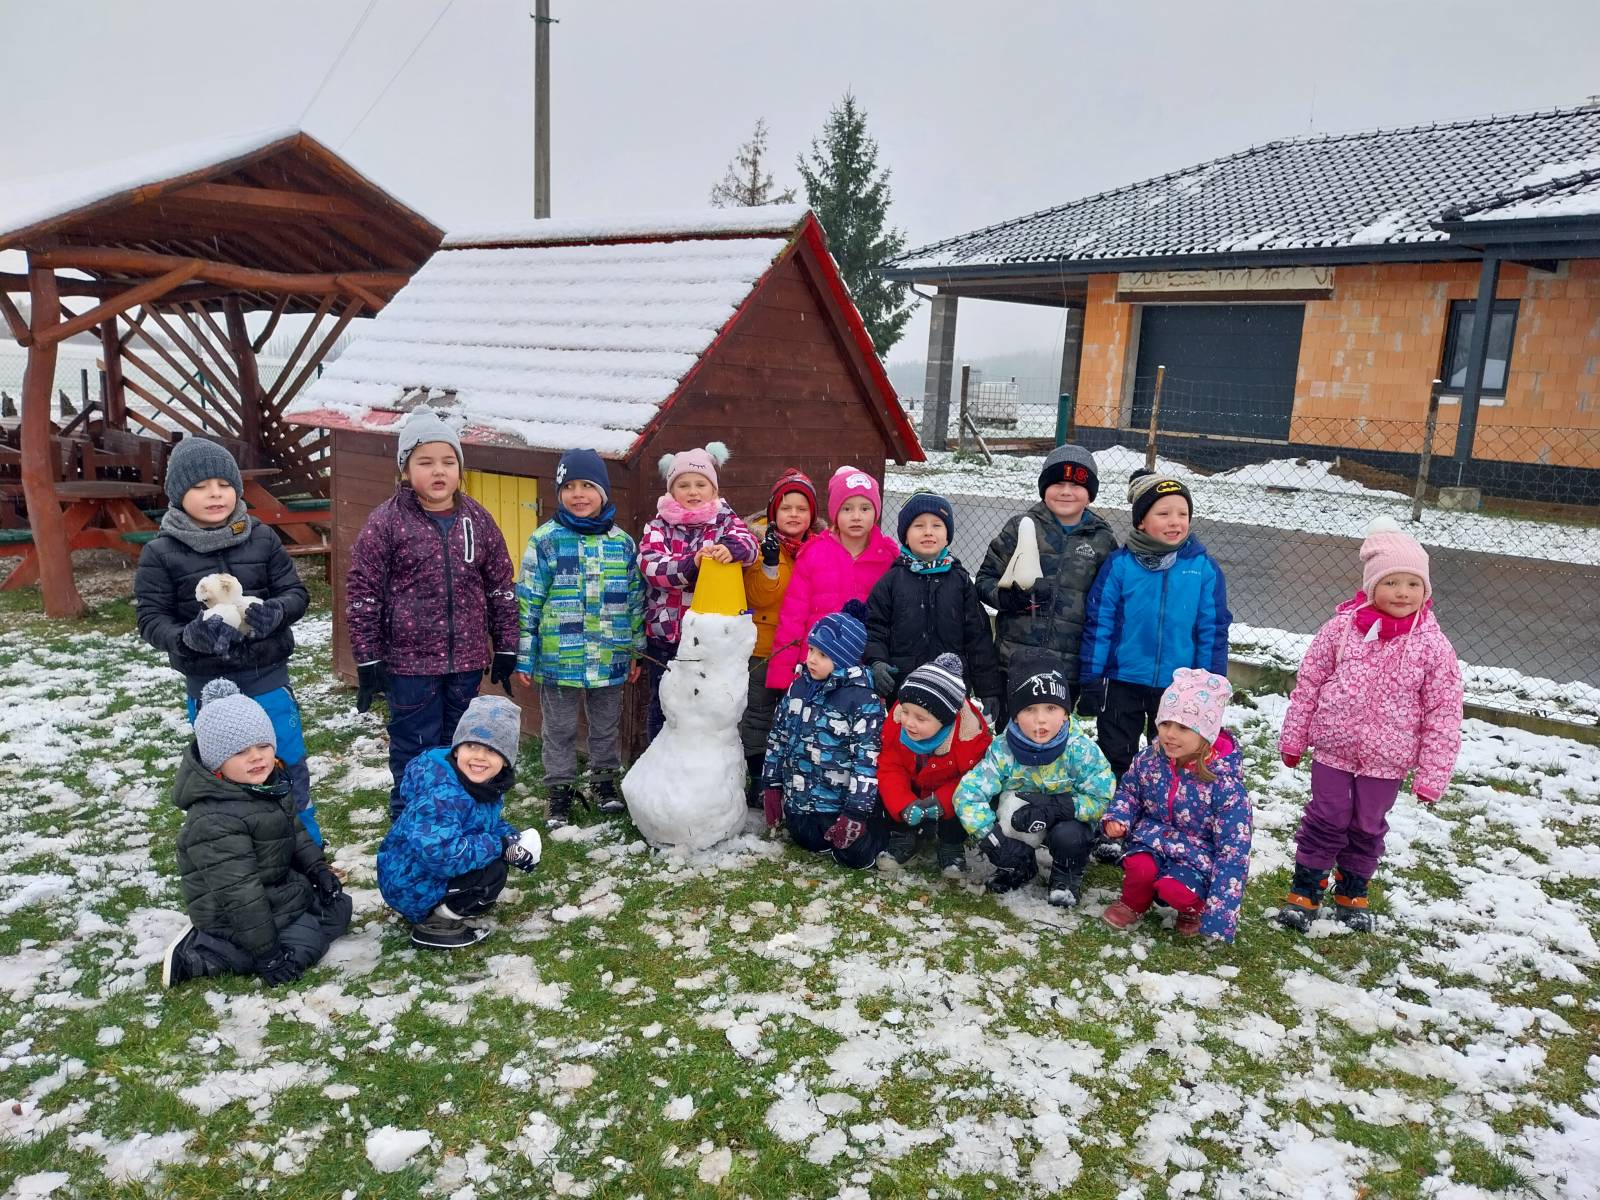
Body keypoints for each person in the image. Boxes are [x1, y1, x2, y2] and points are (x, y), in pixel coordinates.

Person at [1276, 517, 1463, 933]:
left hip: (1387, 759)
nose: (1402, 592)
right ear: (1371, 585)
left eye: (1413, 584)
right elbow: (1310, 683)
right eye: (1391, 582)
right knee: (1326, 816)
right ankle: (1305, 888)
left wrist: (1432, 773)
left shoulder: (1433, 646)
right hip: (1333, 748)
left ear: (1426, 591)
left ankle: (1352, 890)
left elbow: (1444, 712)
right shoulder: (1340, 630)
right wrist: (1295, 736)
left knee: (1367, 824)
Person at [133, 436, 318, 841]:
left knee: (286, 764)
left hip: (268, 679)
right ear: (178, 495)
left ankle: (306, 850)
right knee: (229, 773)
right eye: (200, 487)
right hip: (209, 687)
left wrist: (277, 611)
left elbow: (295, 593)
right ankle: (240, 850)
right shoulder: (161, 553)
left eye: (224, 484)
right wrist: (188, 637)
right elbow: (150, 619)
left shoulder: (262, 537)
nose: (215, 494)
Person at [345, 410, 519, 820]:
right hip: (410, 665)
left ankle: (460, 815)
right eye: (425, 462)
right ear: (405, 470)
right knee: (416, 746)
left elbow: (500, 584)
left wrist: (507, 644)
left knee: (465, 745)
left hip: (467, 660)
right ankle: (412, 818)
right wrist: (368, 657)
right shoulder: (386, 522)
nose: (438, 471)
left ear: (460, 468)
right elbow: (363, 593)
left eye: (448, 461)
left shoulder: (478, 519)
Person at [161, 680, 351, 989]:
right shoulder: (213, 821)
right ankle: (205, 953)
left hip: (274, 891)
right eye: (240, 752)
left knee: (339, 909)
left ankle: (276, 934)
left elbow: (294, 832)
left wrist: (318, 869)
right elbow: (240, 893)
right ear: (216, 762)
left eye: (263, 746)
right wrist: (268, 954)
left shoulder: (268, 785)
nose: (256, 757)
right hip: (229, 912)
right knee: (304, 945)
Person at [513, 449, 644, 828]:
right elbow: (529, 600)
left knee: (605, 725)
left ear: (602, 491)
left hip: (610, 655)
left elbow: (635, 600)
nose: (578, 494)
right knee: (559, 728)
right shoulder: (546, 540)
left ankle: (604, 782)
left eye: (587, 485)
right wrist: (526, 654)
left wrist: (636, 650)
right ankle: (559, 790)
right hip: (558, 659)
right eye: (569, 487)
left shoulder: (622, 543)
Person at [1079, 470, 1231, 785]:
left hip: (1179, 687)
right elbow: (1100, 623)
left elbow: (1212, 631)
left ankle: (1160, 807)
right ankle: (1116, 805)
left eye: (1182, 514)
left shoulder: (1202, 568)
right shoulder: (1120, 565)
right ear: (1141, 522)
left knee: (1169, 759)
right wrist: (1092, 677)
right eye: (1163, 514)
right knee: (1116, 754)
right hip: (1122, 680)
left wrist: (1210, 686)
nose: (1175, 522)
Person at [951, 651, 1117, 905]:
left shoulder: (1080, 750)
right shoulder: (1004, 749)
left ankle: (1066, 874)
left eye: (1051, 708)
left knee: (1069, 836)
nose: (1041, 719)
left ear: (1065, 713)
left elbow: (1103, 797)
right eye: (1029, 709)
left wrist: (1059, 807)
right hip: (1023, 820)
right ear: (1015, 715)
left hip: (1066, 820)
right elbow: (967, 794)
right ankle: (1018, 864)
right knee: (1008, 811)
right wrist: (992, 838)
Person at [1100, 669, 1252, 942]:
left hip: (1196, 855)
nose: (1170, 734)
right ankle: (1133, 902)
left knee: (1176, 890)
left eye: (1183, 727)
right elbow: (1130, 791)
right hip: (1152, 840)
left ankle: (1194, 907)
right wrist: (1119, 816)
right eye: (1165, 723)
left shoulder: (1224, 784)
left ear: (1206, 733)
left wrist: (1219, 916)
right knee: (1140, 868)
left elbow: (1233, 850)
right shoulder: (1150, 759)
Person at [377, 695, 540, 949]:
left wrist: (514, 841)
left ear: (506, 758)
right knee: (490, 874)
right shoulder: (443, 794)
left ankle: (443, 908)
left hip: (420, 875)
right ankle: (434, 924)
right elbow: (442, 856)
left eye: (492, 750)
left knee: (493, 865)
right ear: (456, 749)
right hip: (409, 884)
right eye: (471, 746)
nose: (479, 757)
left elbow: (482, 824)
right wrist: (499, 845)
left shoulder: (483, 785)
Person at [976, 444, 1118, 716]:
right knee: (1011, 730)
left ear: (1090, 494)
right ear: (1044, 488)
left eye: (1076, 485)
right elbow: (985, 579)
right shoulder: (1021, 527)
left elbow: (1108, 606)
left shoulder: (1101, 540)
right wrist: (1006, 597)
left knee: (1052, 732)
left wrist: (1094, 672)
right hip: (1014, 662)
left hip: (1066, 669)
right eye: (1058, 483)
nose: (1066, 491)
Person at [637, 442, 757, 740]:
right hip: (666, 636)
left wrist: (733, 549)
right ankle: (658, 758)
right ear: (671, 490)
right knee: (664, 705)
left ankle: (700, 758)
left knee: (705, 704)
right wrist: (692, 564)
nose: (693, 492)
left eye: (701, 484)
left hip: (709, 639)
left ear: (713, 490)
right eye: (684, 485)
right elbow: (651, 566)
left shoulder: (725, 521)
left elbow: (750, 545)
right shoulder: (658, 527)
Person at [761, 600, 887, 870]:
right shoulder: (798, 689)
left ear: (843, 660)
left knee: (854, 855)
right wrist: (771, 784)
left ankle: (874, 831)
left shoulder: (862, 700)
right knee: (808, 841)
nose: (811, 659)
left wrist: (856, 812)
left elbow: (867, 761)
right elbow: (778, 738)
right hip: (800, 805)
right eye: (811, 649)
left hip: (838, 808)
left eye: (823, 655)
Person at [863, 490, 1001, 722]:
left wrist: (989, 689)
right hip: (904, 687)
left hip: (951, 688)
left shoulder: (960, 582)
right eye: (918, 526)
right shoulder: (891, 581)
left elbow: (978, 639)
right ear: (905, 536)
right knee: (904, 740)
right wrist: (877, 662)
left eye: (937, 525)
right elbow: (874, 628)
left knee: (946, 741)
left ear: (947, 536)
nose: (928, 532)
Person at [766, 466, 897, 692]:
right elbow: (793, 618)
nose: (856, 516)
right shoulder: (814, 553)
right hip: (814, 670)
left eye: (865, 508)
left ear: (875, 512)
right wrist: (782, 675)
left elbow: (893, 622)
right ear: (835, 512)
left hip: (865, 673)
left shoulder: (888, 558)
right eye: (847, 508)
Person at [739, 468, 823, 806]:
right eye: (786, 507)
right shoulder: (758, 544)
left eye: (802, 508)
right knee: (759, 714)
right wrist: (770, 564)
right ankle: (758, 777)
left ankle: (791, 777)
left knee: (796, 715)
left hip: (803, 650)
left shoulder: (820, 547)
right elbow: (758, 596)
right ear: (774, 511)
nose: (794, 514)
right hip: (765, 648)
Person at [876, 653, 993, 876]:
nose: (909, 722)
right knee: (886, 787)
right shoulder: (898, 722)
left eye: (921, 718)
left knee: (962, 799)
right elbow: (890, 767)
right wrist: (903, 804)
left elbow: (971, 780)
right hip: (913, 788)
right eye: (906, 711)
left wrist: (942, 802)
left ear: (945, 719)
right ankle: (903, 837)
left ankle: (951, 844)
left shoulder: (969, 737)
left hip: (945, 793)